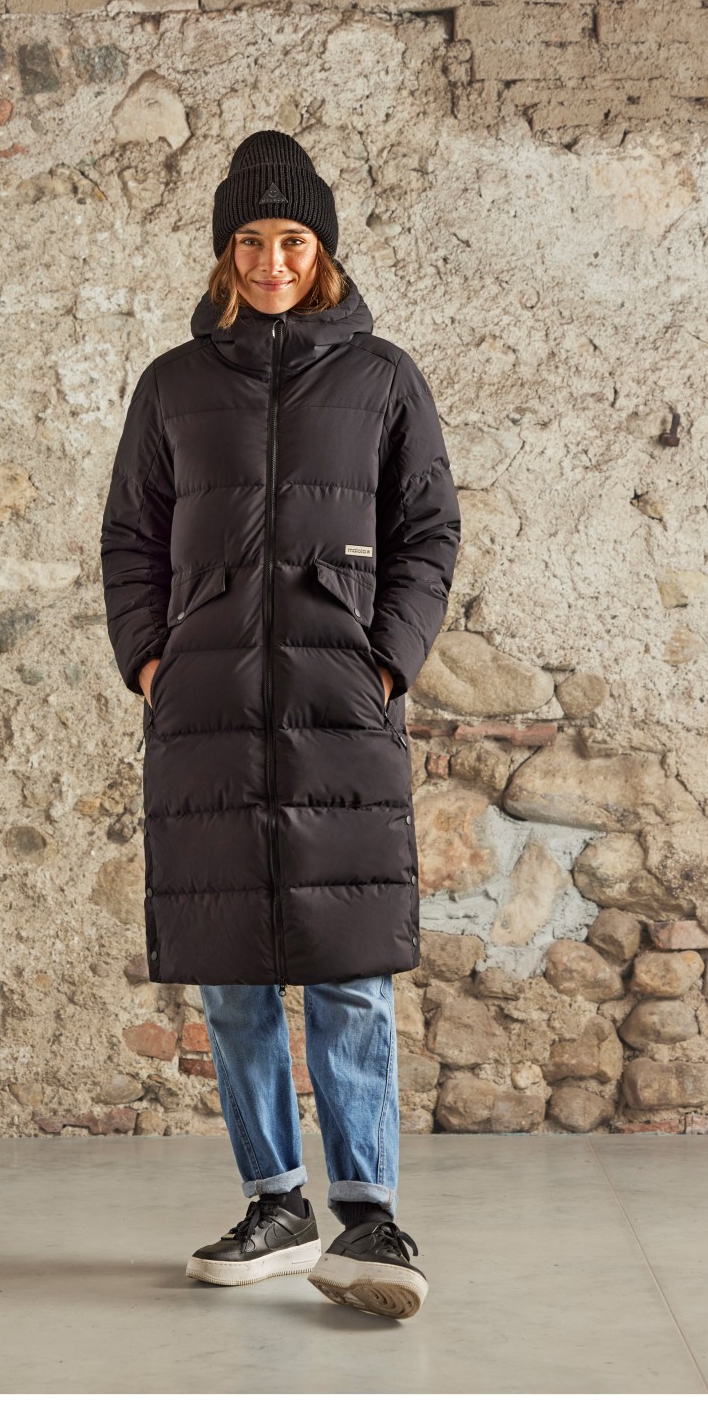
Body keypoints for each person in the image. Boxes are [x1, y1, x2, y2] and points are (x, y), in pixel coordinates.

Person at [100, 130, 460, 1321]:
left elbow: (428, 531)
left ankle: (370, 1220)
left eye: (292, 240)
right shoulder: (172, 385)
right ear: (223, 253)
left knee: (350, 971)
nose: (270, 262)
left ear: (324, 251)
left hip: (338, 708)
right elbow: (130, 536)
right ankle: (275, 1204)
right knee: (232, 976)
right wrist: (152, 659)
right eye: (249, 242)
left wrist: (387, 660)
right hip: (207, 714)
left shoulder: (384, 379)